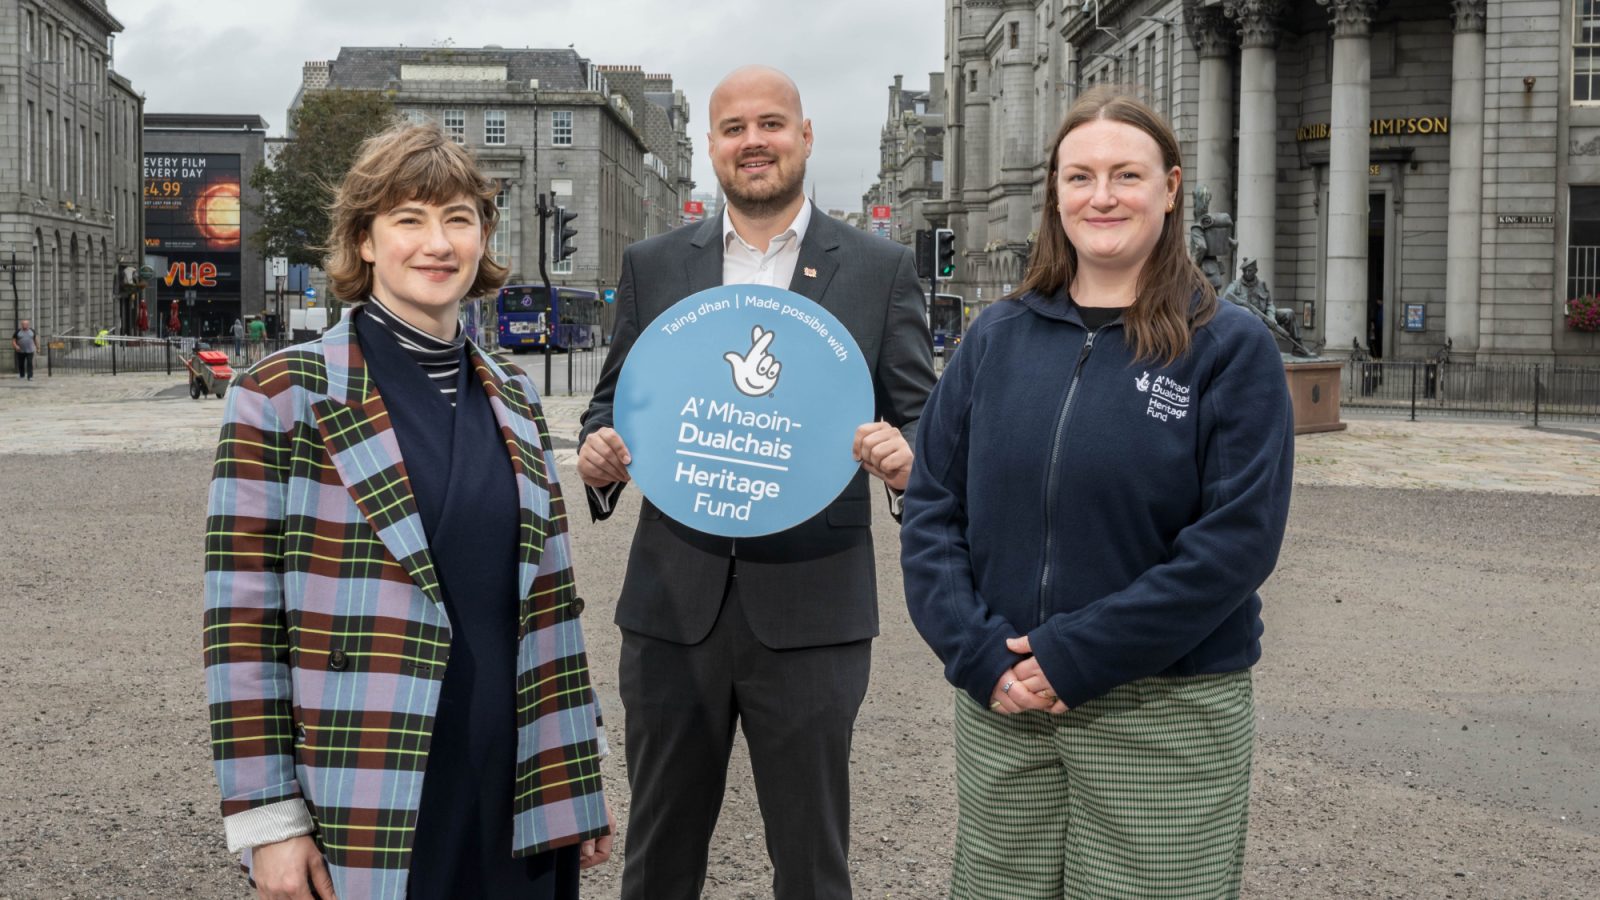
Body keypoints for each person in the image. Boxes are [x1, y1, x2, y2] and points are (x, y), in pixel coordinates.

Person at [900, 87, 1294, 899]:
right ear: (1055, 191)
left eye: (1126, 175)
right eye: (1079, 176)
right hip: (1004, 705)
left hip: (1162, 712)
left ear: (1172, 189)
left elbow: (1235, 544)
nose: (1102, 196)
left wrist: (1075, 654)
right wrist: (975, 653)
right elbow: (934, 509)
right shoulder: (995, 338)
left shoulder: (1228, 347)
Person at [202, 122, 613, 900]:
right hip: (373, 782)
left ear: (482, 237)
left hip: (518, 782)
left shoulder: (516, 396)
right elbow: (241, 625)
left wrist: (576, 772)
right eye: (409, 219)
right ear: (364, 240)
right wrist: (268, 820)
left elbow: (552, 602)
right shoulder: (281, 395)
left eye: (458, 218)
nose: (438, 242)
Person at [577, 64, 935, 900]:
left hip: (814, 611)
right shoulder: (656, 264)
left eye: (771, 124)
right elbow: (612, 408)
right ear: (711, 147)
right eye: (734, 128)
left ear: (805, 136)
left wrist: (909, 461)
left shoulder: (879, 269)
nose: (754, 143)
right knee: (659, 858)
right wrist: (599, 455)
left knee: (812, 866)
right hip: (673, 609)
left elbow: (925, 421)